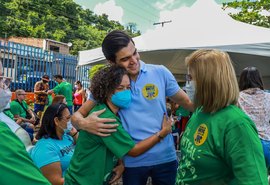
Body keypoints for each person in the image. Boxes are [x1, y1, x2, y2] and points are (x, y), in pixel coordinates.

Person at [71, 30, 193, 185]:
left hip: (165, 158)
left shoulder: (160, 72)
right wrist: (85, 124)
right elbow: (76, 116)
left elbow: (188, 103)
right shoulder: (110, 84)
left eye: (135, 53)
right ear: (111, 62)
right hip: (132, 162)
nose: (134, 60)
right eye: (125, 59)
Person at [65, 65, 172, 185]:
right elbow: (133, 151)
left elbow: (113, 145)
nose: (126, 92)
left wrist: (121, 163)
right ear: (107, 91)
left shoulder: (105, 110)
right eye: (120, 88)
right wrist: (162, 133)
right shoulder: (106, 120)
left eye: (128, 87)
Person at [176, 49, 268, 185]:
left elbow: (254, 181)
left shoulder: (236, 124)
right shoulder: (200, 111)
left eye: (190, 78)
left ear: (208, 81)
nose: (187, 85)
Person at [0, 62, 51, 185]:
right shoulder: (4, 134)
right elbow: (17, 118)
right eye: (0, 78)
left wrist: (32, 116)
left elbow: (28, 110)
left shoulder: (23, 103)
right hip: (19, 123)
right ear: (18, 95)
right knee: (29, 128)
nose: (4, 85)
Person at [30, 103, 77, 185]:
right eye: (68, 118)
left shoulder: (66, 136)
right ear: (56, 121)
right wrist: (84, 177)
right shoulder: (45, 148)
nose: (71, 121)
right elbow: (56, 182)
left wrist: (75, 134)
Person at [238, 66, 270, 168]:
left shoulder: (237, 97)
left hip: (248, 145)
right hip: (268, 143)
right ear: (259, 79)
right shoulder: (268, 96)